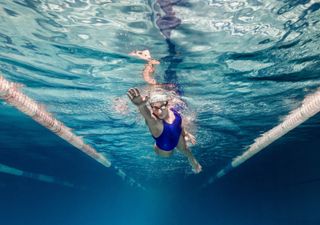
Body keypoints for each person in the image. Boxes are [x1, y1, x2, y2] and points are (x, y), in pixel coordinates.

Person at [127, 50, 202, 173]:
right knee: (167, 155)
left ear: (168, 103)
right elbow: (147, 116)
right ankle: (149, 62)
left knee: (185, 149)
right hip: (164, 145)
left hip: (176, 134)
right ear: (151, 107)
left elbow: (178, 125)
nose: (159, 110)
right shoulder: (155, 122)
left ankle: (191, 158)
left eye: (162, 105)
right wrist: (140, 105)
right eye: (155, 107)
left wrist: (186, 133)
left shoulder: (173, 110)